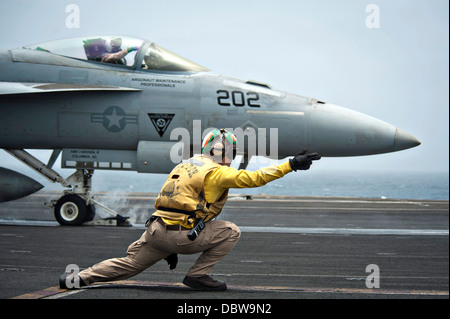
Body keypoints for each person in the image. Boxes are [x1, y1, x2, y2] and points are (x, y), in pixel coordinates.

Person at [60, 128, 321, 291]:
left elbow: (170, 202)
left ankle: (80, 277)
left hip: (155, 231)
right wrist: (290, 165)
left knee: (127, 264)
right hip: (182, 236)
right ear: (225, 152)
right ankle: (198, 276)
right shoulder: (217, 172)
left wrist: (164, 249)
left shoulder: (184, 165)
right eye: (230, 153)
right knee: (231, 231)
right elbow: (253, 179)